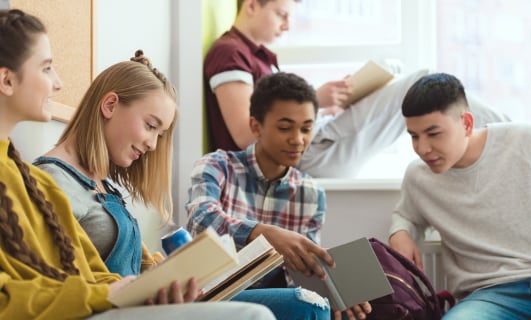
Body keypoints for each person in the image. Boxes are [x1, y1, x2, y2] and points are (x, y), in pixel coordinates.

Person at [0, 9, 276, 320]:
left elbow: (86, 271)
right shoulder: (49, 180)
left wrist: (152, 281)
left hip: (106, 303)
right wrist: (114, 292)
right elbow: (69, 284)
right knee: (256, 315)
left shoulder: (32, 180)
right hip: (90, 309)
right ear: (7, 79)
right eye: (47, 67)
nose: (58, 83)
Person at [33, 46, 330, 320]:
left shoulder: (103, 186)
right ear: (110, 105)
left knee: (308, 304)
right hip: (107, 310)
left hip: (137, 304)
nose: (152, 145)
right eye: (151, 126)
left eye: (159, 134)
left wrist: (165, 275)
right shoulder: (52, 181)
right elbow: (54, 280)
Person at [203, 0, 510, 178]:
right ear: (253, 5)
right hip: (304, 156)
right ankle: (512, 134)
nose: (286, 26)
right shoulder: (231, 53)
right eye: (281, 14)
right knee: (423, 81)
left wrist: (332, 105)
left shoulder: (258, 59)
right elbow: (245, 135)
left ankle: (508, 140)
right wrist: (316, 101)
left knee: (398, 74)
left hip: (313, 144)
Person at [188, 72, 372, 320]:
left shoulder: (311, 193)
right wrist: (263, 234)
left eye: (307, 129)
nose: (298, 140)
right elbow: (200, 220)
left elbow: (302, 268)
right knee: (307, 305)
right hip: (214, 293)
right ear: (256, 126)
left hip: (278, 299)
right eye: (285, 128)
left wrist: (335, 293)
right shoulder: (217, 165)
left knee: (332, 306)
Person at [388, 73, 531, 320]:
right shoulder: (419, 177)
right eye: (414, 136)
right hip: (488, 297)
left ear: (466, 123)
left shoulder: (529, 141)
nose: (422, 148)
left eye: (433, 133)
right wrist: (400, 231)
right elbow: (405, 214)